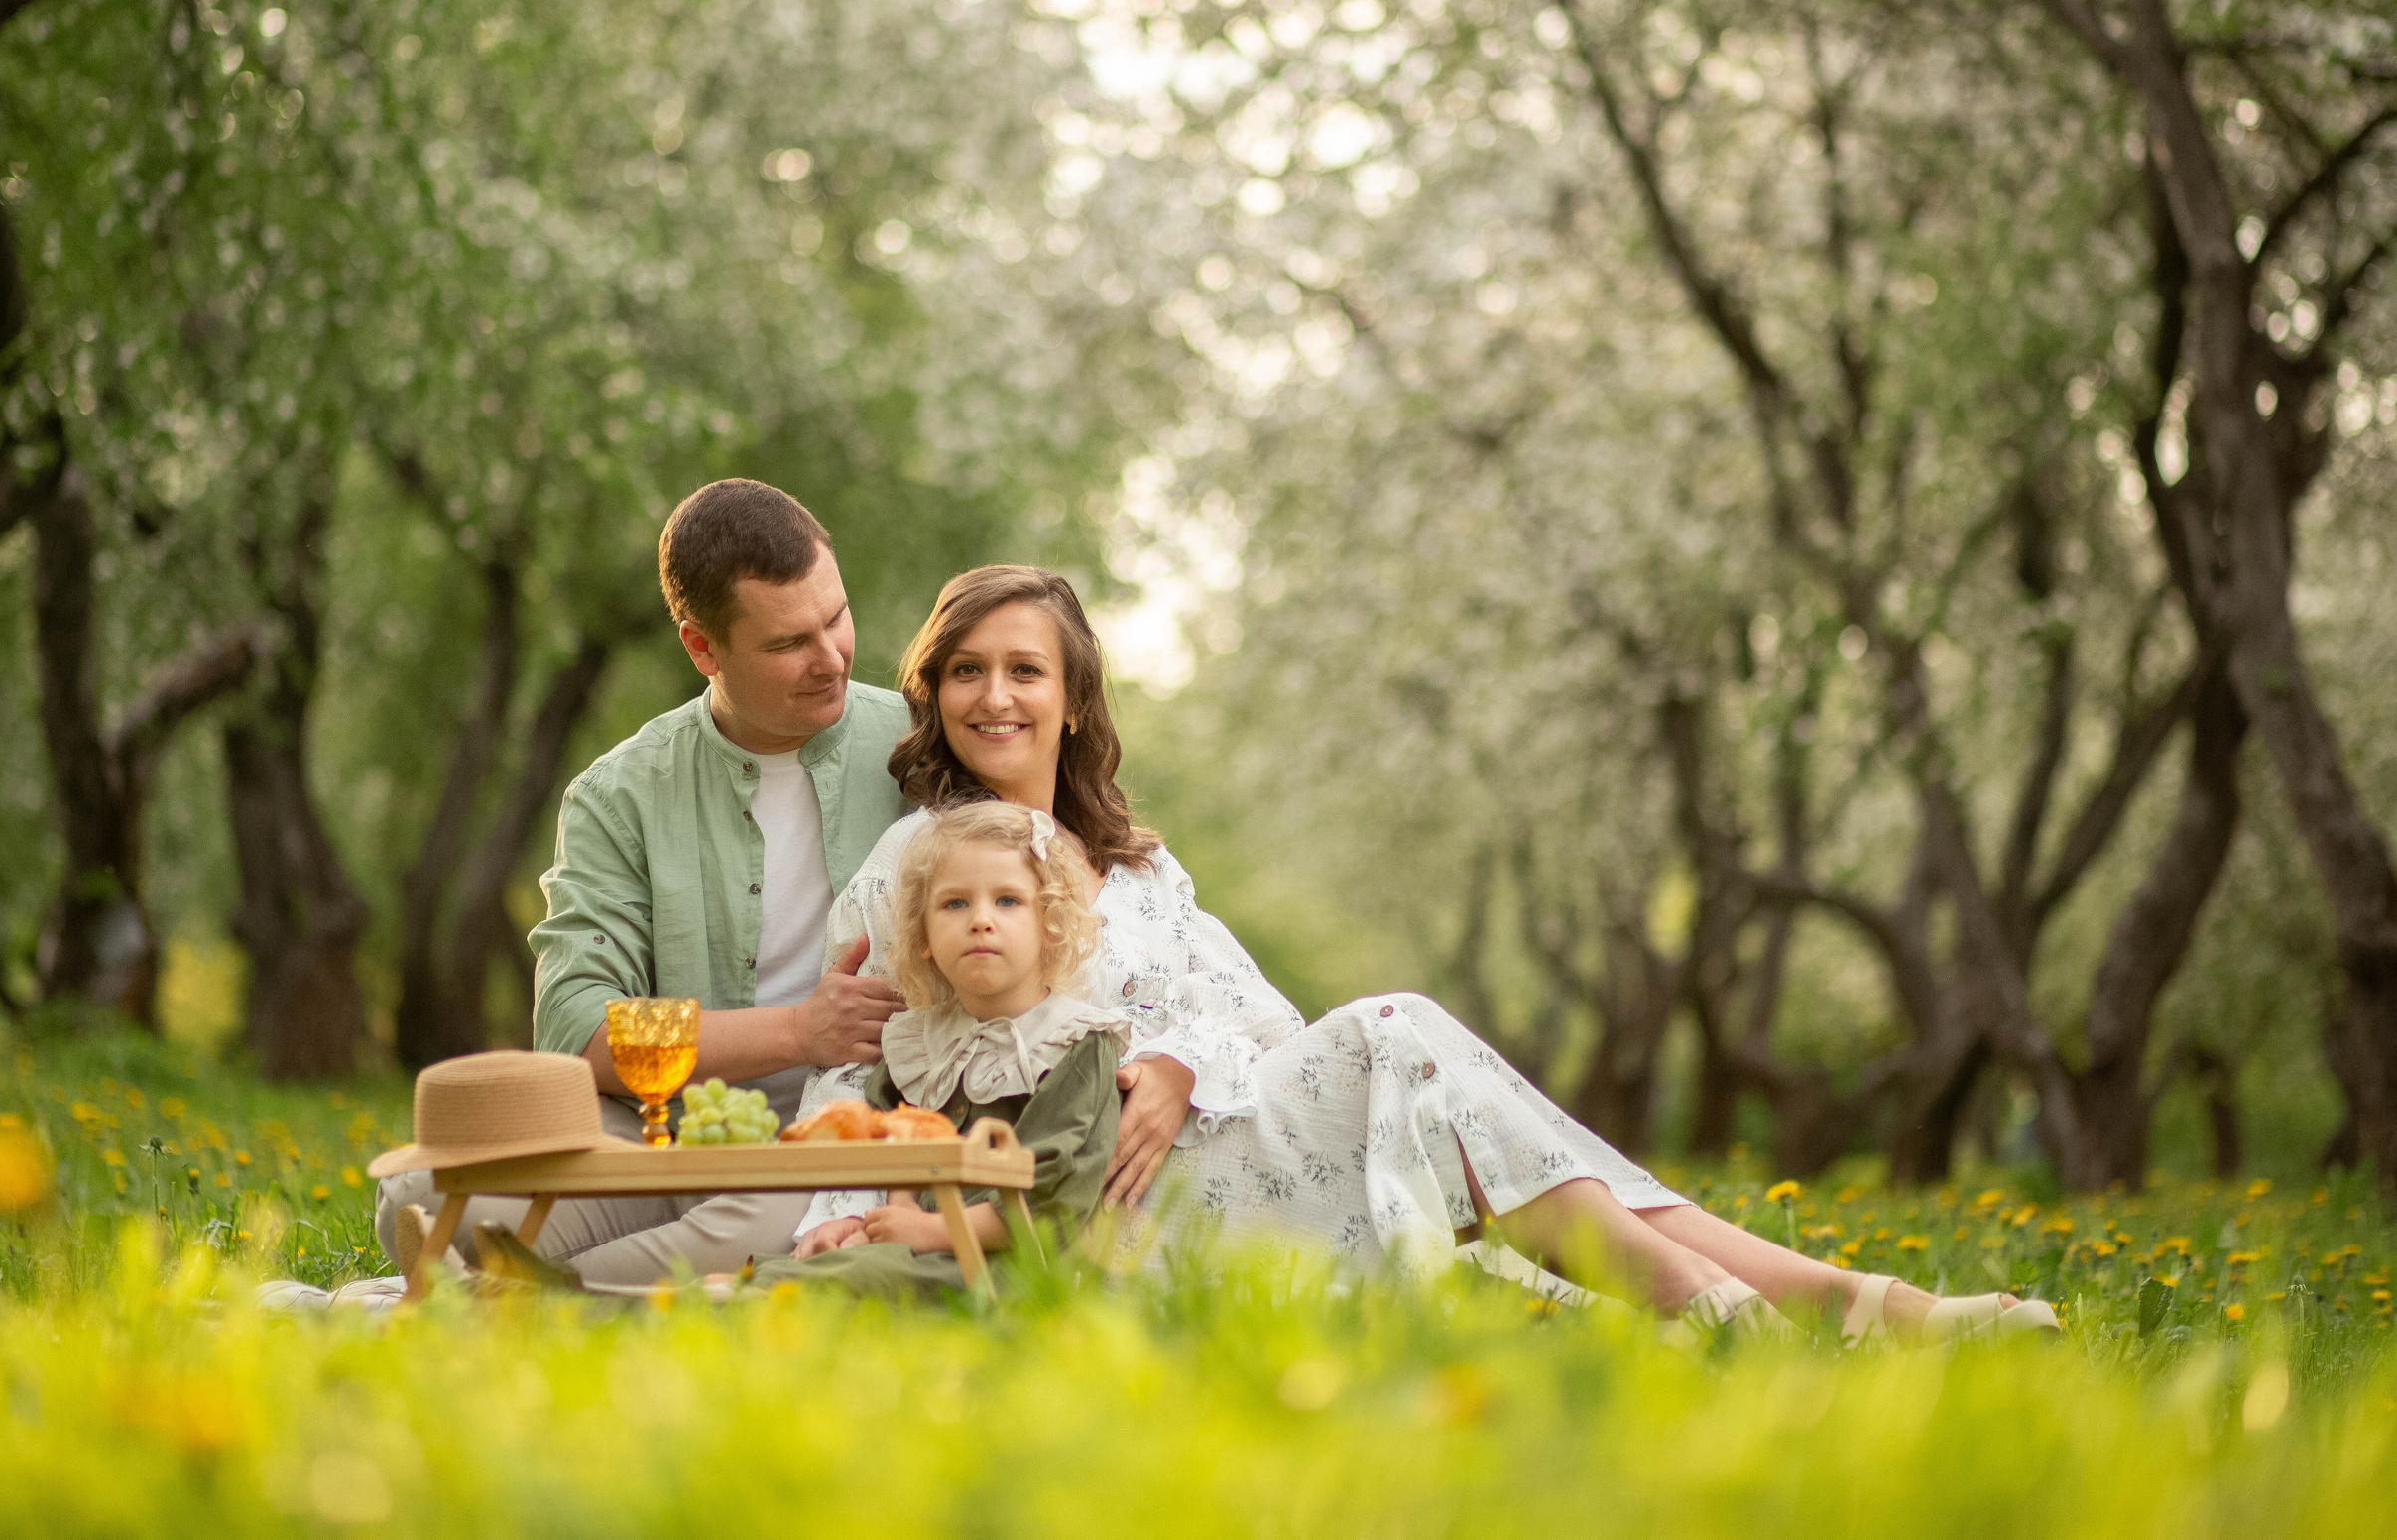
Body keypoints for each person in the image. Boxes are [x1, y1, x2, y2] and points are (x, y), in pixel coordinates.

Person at [792, 566, 2059, 1342]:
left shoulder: (1134, 868)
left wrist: (1178, 1058)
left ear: (1073, 699)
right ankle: (1818, 1309)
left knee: (1415, 1063)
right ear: (935, 693)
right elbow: (849, 1083)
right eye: (967, 670)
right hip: (1113, 1220)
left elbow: (1269, 1023)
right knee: (1411, 1045)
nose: (995, 696)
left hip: (1237, 1148)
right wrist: (857, 1219)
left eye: (1025, 670)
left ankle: (1801, 1310)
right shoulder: (911, 871)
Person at [374, 480, 911, 1284]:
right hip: (659, 1139)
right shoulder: (619, 793)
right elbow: (577, 1026)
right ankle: (580, 1279)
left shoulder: (921, 747)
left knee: (776, 1211)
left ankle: (520, 1298)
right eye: (787, 643)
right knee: (419, 1193)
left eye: (835, 617)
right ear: (703, 648)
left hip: (843, 1139)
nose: (831, 658)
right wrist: (798, 1032)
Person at [741, 801, 1125, 1297]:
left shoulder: (1073, 1043)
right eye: (955, 904)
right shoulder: (921, 1045)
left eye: (1007, 901)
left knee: (854, 1281)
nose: (981, 920)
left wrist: (930, 1231)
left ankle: (732, 1308)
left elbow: (1053, 1198)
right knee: (813, 1264)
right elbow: (901, 1144)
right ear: (924, 936)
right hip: (919, 1255)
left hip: (1008, 1272)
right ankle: (713, 1304)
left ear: (1050, 923)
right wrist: (873, 1220)